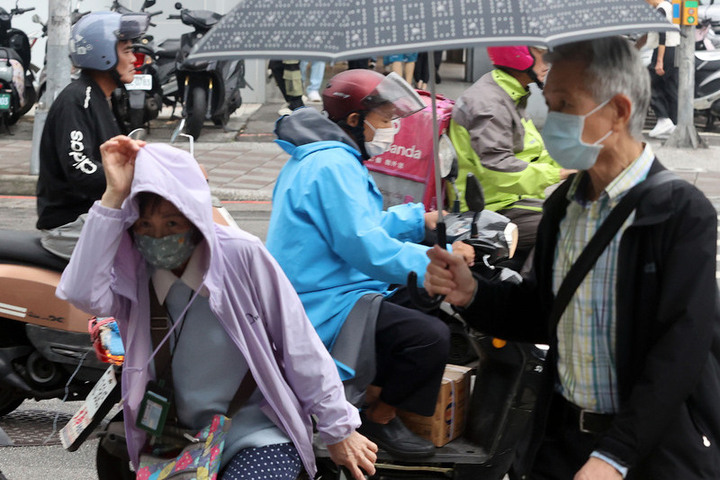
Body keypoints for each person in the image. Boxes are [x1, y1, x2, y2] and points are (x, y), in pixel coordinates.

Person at [423, 36, 720, 480]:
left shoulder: (679, 212)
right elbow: (544, 313)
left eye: (564, 103)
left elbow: (681, 349)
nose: (548, 117)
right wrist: (473, 295)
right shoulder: (565, 204)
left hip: (646, 454)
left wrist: (615, 457)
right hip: (560, 444)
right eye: (548, 99)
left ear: (618, 111)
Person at [56, 137, 378, 480]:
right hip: (175, 442)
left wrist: (338, 427)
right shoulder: (135, 271)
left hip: (255, 436)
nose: (158, 237)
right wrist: (113, 197)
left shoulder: (242, 255)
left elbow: (299, 345)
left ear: (194, 220)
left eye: (172, 224)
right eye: (145, 227)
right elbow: (80, 292)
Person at [265, 69, 475, 459]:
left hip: (339, 285)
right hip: (323, 300)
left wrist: (418, 220)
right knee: (429, 336)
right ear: (354, 121)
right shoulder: (332, 165)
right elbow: (366, 248)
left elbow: (360, 226)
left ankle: (366, 399)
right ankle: (379, 416)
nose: (392, 127)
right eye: (385, 118)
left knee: (419, 305)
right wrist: (436, 265)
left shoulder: (330, 157)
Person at [449, 45, 572, 271]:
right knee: (567, 226)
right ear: (518, 55)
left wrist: (575, 166)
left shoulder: (509, 93)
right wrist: (559, 173)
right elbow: (499, 170)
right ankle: (528, 294)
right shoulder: (489, 104)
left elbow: (534, 154)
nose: (548, 61)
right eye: (541, 53)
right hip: (491, 208)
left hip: (515, 198)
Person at [35, 11, 147, 259]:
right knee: (150, 247)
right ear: (104, 53)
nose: (134, 59)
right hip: (70, 225)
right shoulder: (77, 99)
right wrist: (134, 178)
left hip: (96, 215)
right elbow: (80, 168)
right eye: (127, 51)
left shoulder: (104, 98)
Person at [642, 0, 680, 138]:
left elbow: (662, 36)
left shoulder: (661, 10)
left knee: (647, 83)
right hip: (675, 50)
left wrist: (659, 61)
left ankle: (663, 119)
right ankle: (674, 125)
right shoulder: (671, 7)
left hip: (664, 52)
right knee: (671, 88)